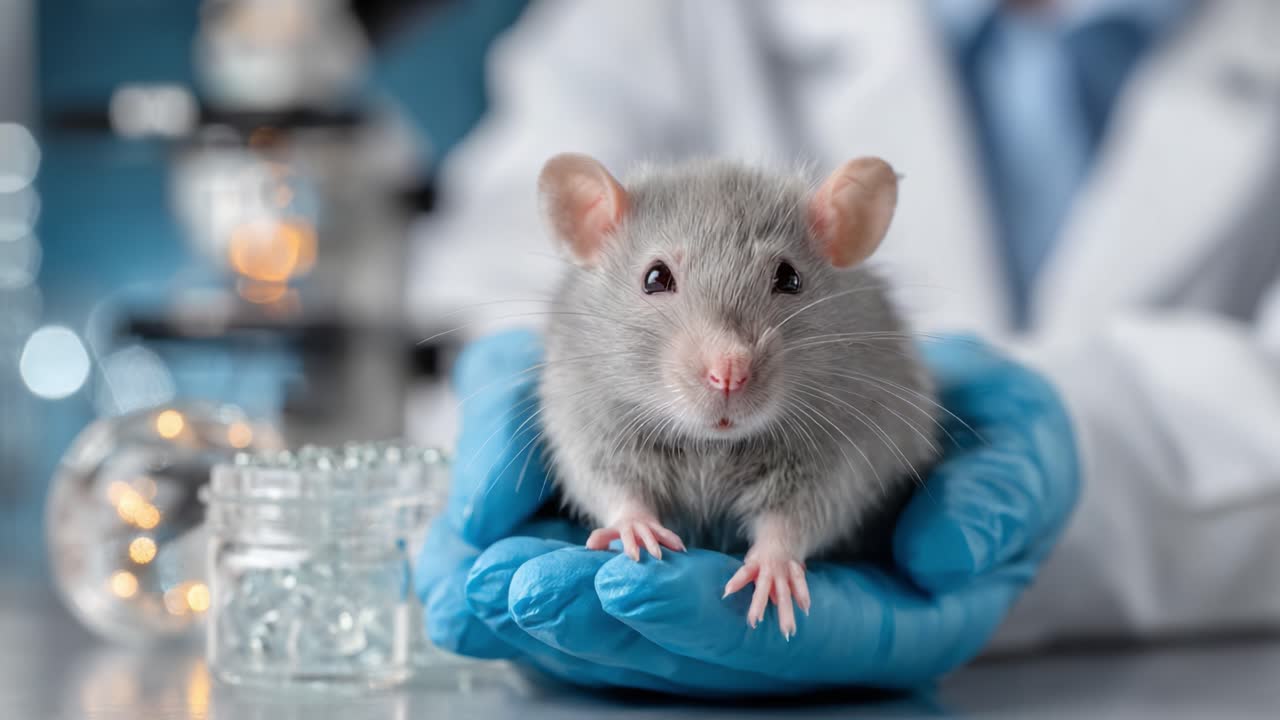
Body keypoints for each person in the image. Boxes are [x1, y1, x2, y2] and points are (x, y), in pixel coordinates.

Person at [405, 0, 1280, 694]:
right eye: (662, 286)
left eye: (783, 283)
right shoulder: (660, 21)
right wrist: (586, 485)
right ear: (586, 224)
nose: (727, 365)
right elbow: (471, 287)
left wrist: (787, 537)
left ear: (846, 226)